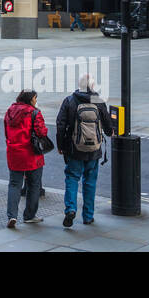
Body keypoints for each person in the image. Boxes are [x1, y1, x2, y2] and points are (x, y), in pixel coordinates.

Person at [55, 74, 114, 228]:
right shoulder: (98, 101)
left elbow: (60, 125)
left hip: (74, 148)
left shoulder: (70, 100)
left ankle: (71, 209)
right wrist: (109, 132)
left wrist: (60, 145)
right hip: (94, 149)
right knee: (90, 182)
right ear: (93, 87)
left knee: (72, 178)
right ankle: (88, 216)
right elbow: (108, 125)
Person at [4, 89, 48, 228]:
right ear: (30, 99)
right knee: (34, 184)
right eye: (35, 97)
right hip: (31, 154)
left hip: (14, 152)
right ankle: (29, 215)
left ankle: (12, 216)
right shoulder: (35, 112)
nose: (36, 100)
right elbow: (41, 132)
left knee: (14, 184)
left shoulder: (10, 111)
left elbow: (6, 131)